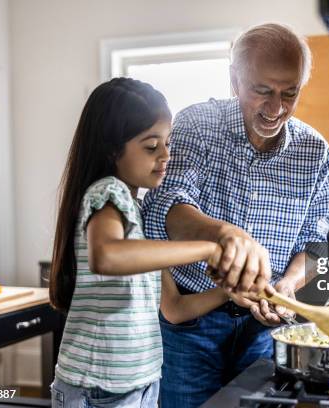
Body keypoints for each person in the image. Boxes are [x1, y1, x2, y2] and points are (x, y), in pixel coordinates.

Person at [143, 23, 329, 407]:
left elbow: (314, 245)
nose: (276, 108)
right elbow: (168, 210)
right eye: (261, 91)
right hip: (190, 326)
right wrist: (226, 233)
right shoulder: (197, 124)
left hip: (261, 330)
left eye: (289, 93)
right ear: (235, 80)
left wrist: (289, 285)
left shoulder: (315, 152)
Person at [49, 78, 241, 408]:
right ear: (112, 150)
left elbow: (175, 309)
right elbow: (107, 255)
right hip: (99, 390)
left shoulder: (137, 212)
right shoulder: (109, 194)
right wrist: (210, 247)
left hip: (139, 385)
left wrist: (231, 291)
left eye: (167, 143)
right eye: (151, 147)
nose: (166, 155)